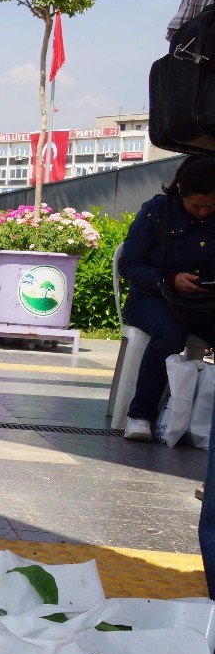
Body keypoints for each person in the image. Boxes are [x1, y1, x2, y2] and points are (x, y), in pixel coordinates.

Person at [118, 156, 215, 442]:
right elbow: (129, 264)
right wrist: (172, 280)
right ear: (180, 190)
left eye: (211, 206)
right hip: (152, 298)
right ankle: (140, 416)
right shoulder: (156, 211)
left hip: (204, 303)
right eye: (196, 205)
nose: (203, 212)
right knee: (170, 333)